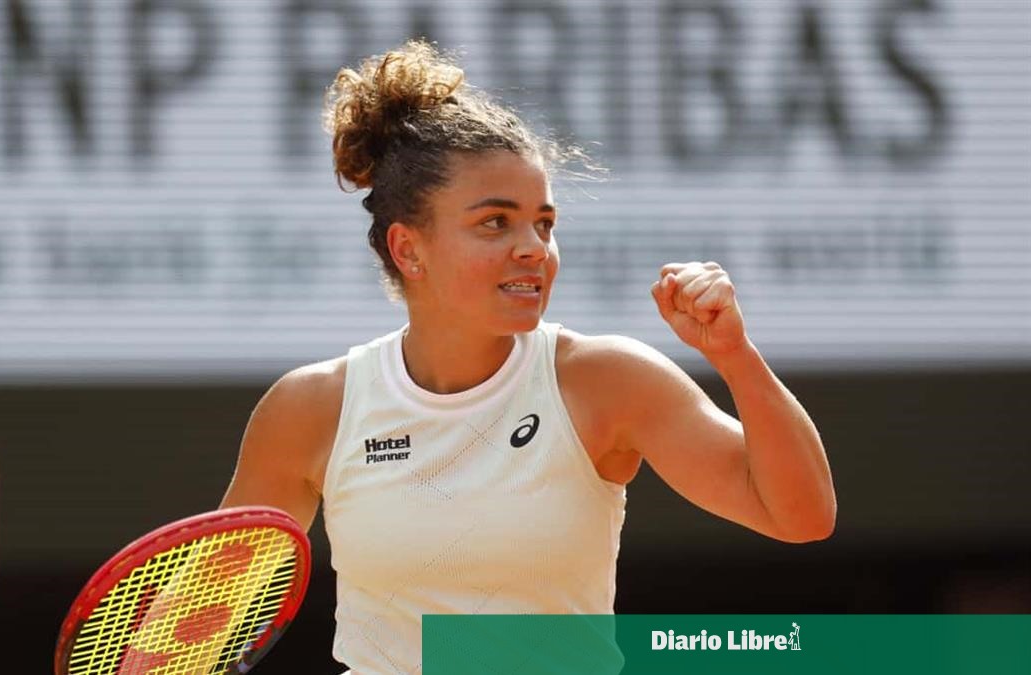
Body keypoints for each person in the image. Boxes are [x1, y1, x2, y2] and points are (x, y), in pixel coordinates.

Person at [220, 41, 836, 674]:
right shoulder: (310, 409)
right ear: (408, 249)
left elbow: (800, 516)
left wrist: (734, 355)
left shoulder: (607, 381)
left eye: (544, 223)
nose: (534, 249)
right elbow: (199, 620)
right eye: (496, 222)